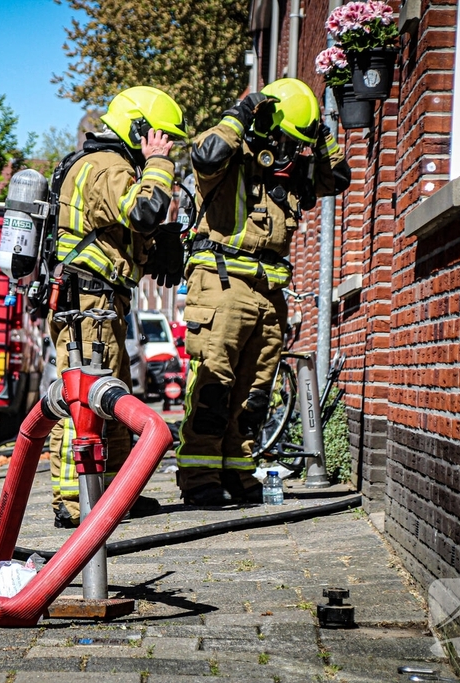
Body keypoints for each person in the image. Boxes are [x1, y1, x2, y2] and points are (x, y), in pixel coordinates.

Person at [176, 78, 350, 507]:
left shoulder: (291, 165)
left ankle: (238, 470)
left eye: (298, 143)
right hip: (221, 281)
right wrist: (241, 113)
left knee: (255, 391)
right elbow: (206, 153)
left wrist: (319, 133)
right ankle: (199, 476)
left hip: (269, 288)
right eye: (286, 138)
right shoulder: (230, 154)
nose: (290, 150)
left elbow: (339, 178)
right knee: (215, 381)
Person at [48, 85, 188, 528]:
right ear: (139, 128)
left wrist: (161, 243)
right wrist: (159, 165)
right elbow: (142, 210)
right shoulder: (105, 166)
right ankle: (74, 498)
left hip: (101, 302)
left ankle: (113, 493)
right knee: (85, 396)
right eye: (159, 137)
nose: (164, 147)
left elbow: (124, 237)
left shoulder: (105, 166)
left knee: (113, 399)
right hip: (87, 304)